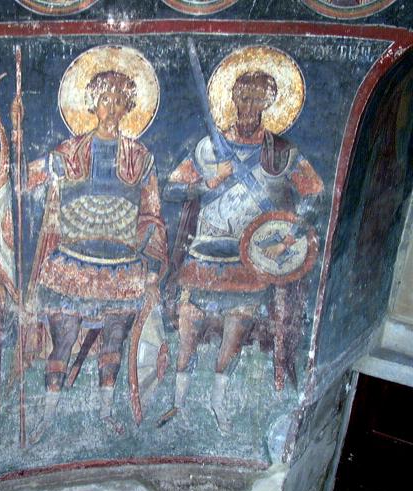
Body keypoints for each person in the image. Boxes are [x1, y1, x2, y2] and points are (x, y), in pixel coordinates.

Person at [159, 62, 324, 432]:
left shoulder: (282, 152)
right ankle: (178, 404)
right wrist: (209, 182)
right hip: (204, 255)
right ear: (232, 99)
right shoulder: (208, 148)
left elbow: (315, 192)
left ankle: (218, 404)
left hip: (248, 261)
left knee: (233, 338)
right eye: (244, 98)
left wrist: (292, 234)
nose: (249, 107)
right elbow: (171, 189)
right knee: (188, 336)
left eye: (257, 100)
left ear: (268, 103)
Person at [24, 63, 167, 444]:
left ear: (128, 107)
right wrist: (18, 146)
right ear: (92, 104)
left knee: (114, 341)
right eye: (105, 99)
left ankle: (105, 412)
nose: (112, 107)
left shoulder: (140, 157)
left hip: (122, 266)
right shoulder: (68, 151)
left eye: (120, 101)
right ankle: (47, 416)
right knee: (64, 338)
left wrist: (151, 268)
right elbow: (26, 179)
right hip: (72, 262)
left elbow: (151, 213)